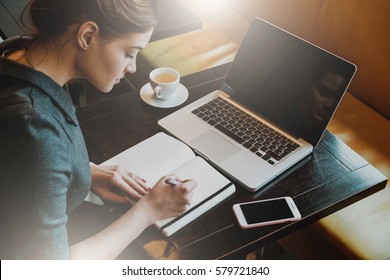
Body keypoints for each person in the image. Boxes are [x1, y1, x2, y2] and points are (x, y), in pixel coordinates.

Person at [0, 0, 197, 259]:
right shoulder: (33, 124)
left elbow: (15, 162)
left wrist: (84, 171)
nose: (133, 67)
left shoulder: (16, 51)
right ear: (88, 35)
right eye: (129, 52)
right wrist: (149, 210)